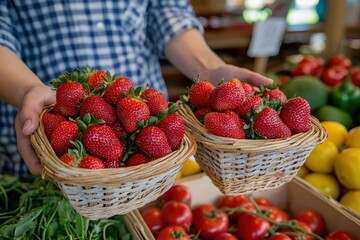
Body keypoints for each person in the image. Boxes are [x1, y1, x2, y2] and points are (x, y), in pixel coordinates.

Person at [0, 1, 272, 177]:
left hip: (148, 151)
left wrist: (210, 70)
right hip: (49, 128)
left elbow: (164, 10)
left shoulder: (147, 126)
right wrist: (27, 90)